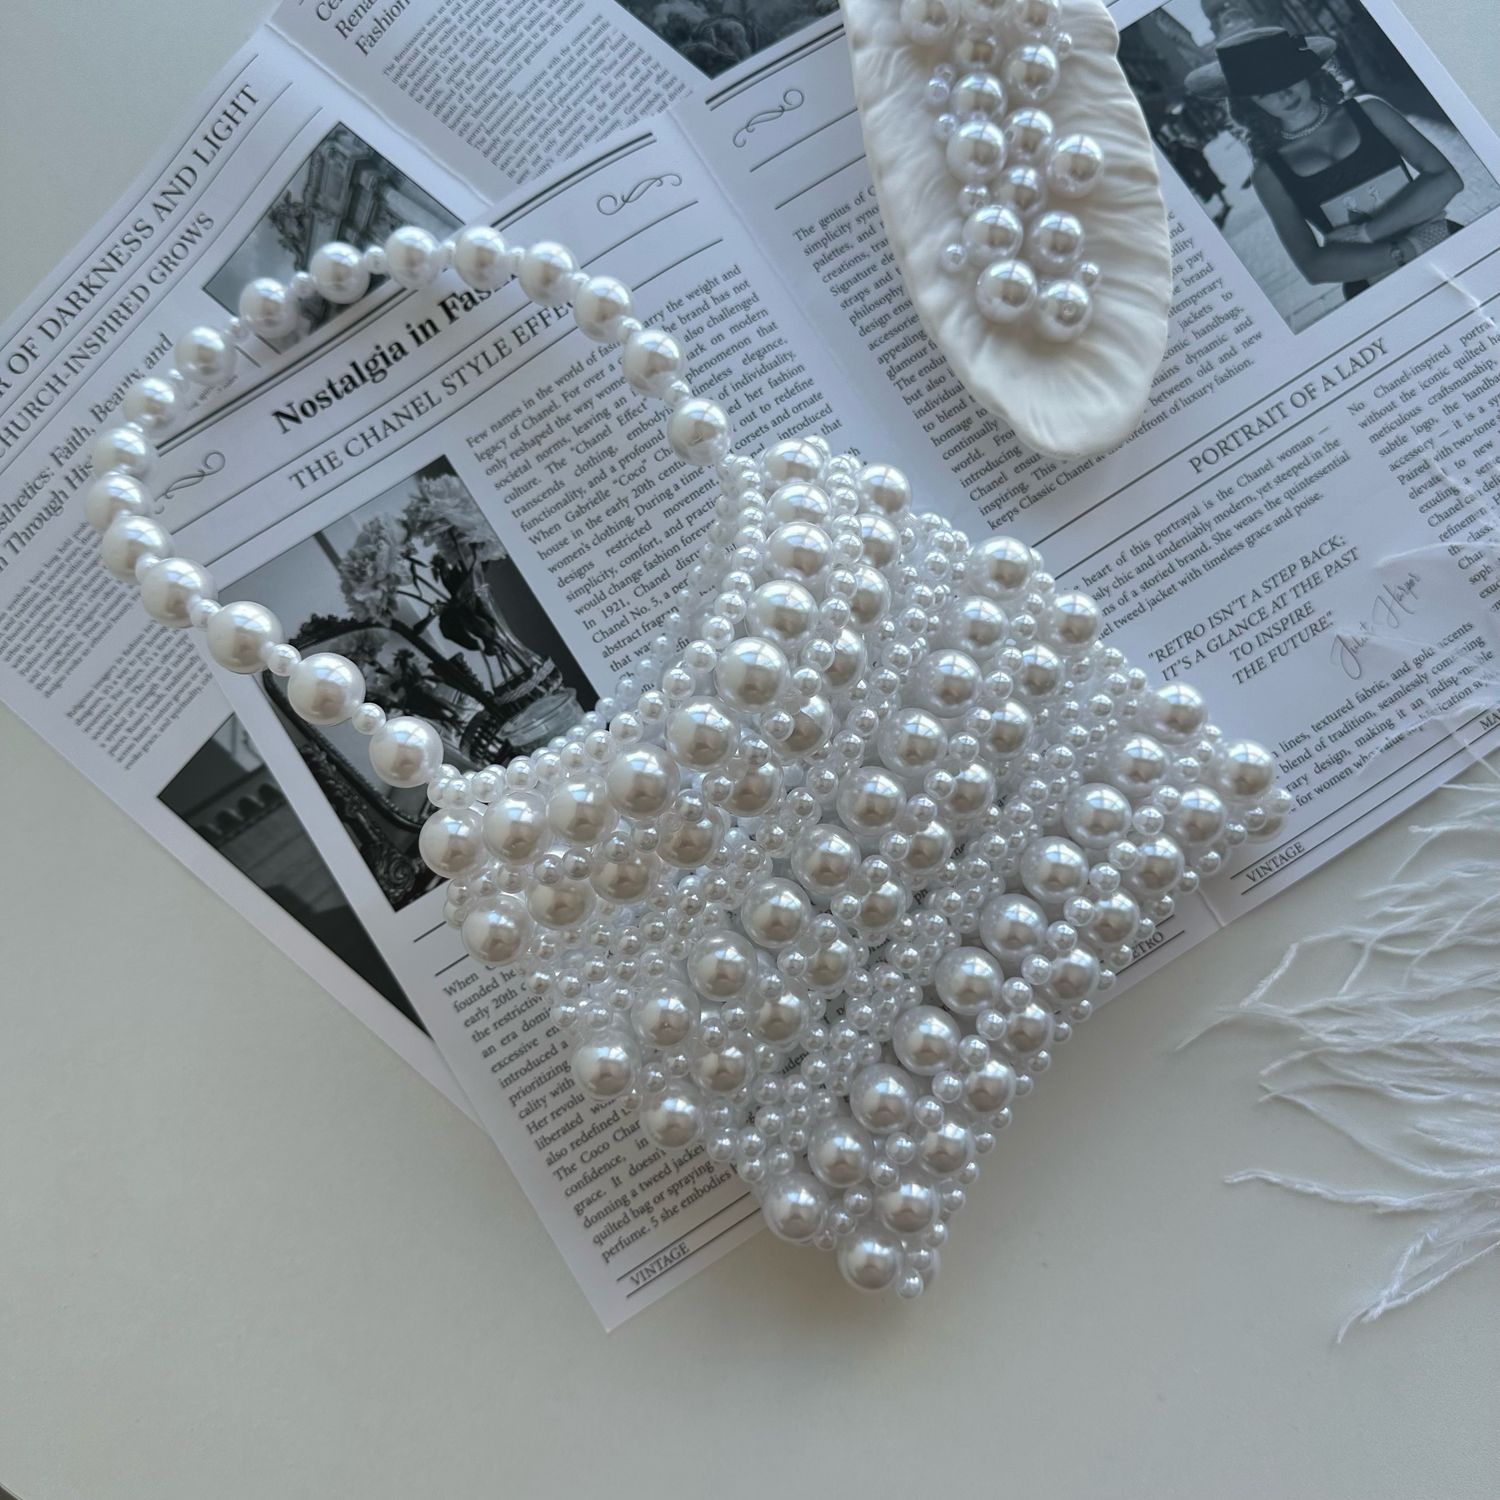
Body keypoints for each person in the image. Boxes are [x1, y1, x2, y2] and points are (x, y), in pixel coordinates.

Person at [1187, 26, 1461, 300]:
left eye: (1288, 76)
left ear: (1307, 72)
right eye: (1265, 91)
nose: (1284, 94)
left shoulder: (1370, 110)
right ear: (1248, 102)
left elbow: (1447, 179)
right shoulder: (1268, 174)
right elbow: (1313, 266)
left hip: (1447, 246)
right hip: (1375, 287)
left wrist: (1369, 233)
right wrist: (1408, 249)